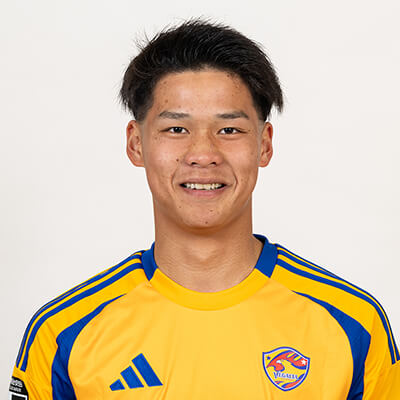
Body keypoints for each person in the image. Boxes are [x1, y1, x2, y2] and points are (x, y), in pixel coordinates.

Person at [9, 19, 399, 399]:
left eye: (229, 130)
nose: (203, 153)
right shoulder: (64, 335)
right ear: (136, 144)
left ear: (264, 144)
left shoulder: (353, 326)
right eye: (176, 129)